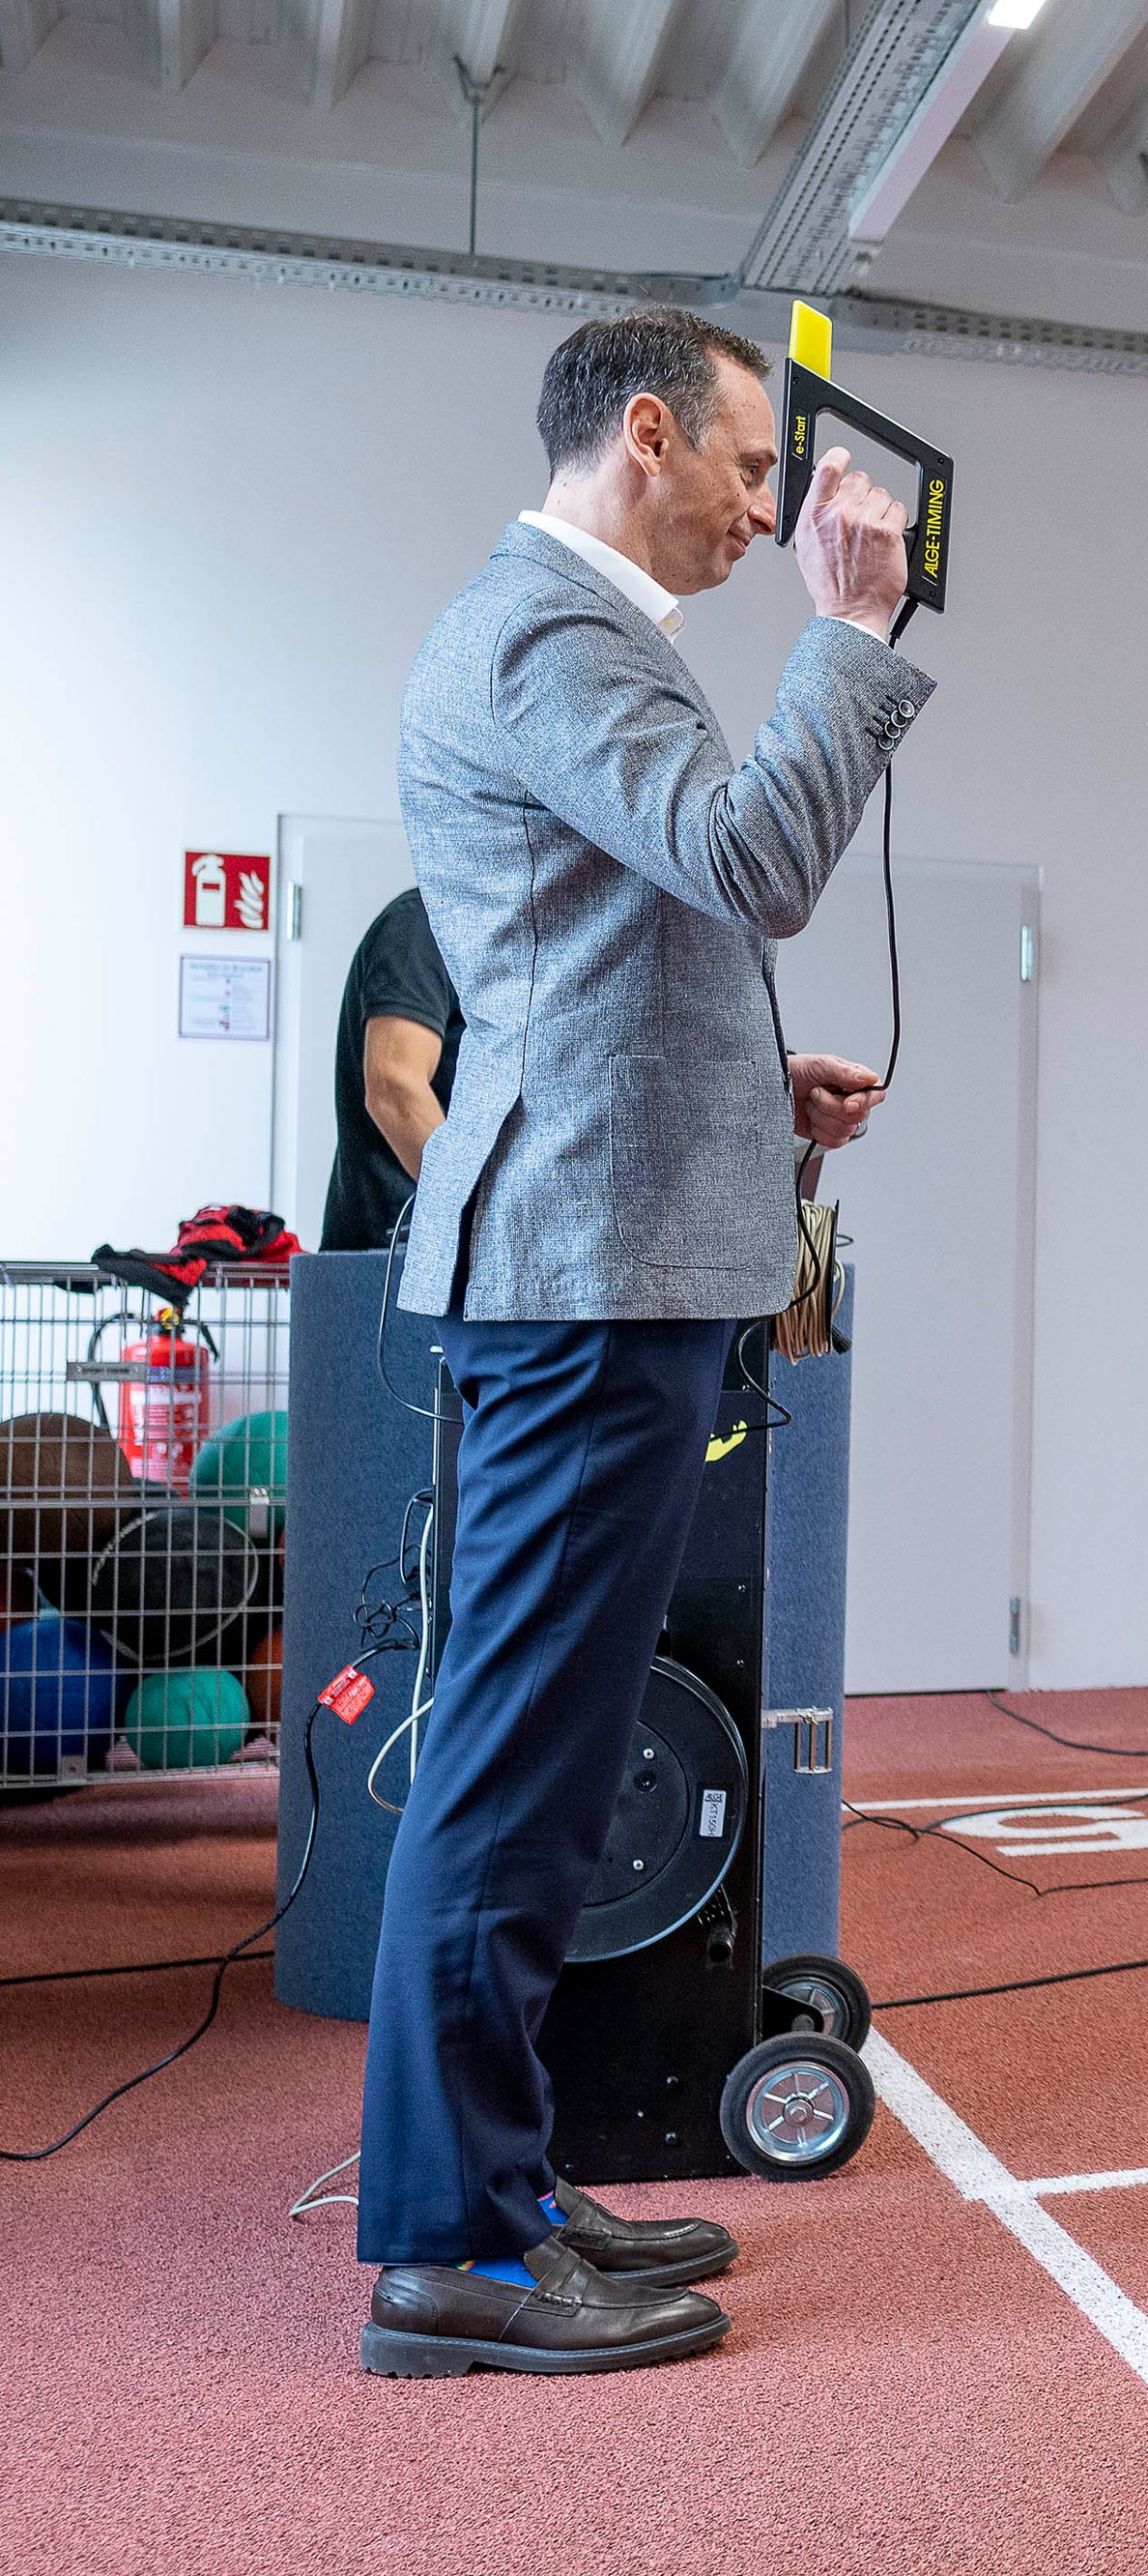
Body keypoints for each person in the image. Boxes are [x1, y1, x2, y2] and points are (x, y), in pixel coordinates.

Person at [355, 306, 926, 2380]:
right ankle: (451, 2253)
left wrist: (759, 1097)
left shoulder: (579, 636)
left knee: (553, 1755)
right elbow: (754, 859)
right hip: (584, 1280)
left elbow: (599, 966)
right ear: (651, 433)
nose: (772, 510)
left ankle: (499, 2188)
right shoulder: (550, 631)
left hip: (612, 1253)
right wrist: (849, 637)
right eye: (754, 469)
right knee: (518, 1767)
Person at [319, 888, 462, 1253]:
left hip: (448, 1252)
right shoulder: (423, 924)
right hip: (397, 1257)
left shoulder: (512, 943)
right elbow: (394, 1088)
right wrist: (488, 1217)